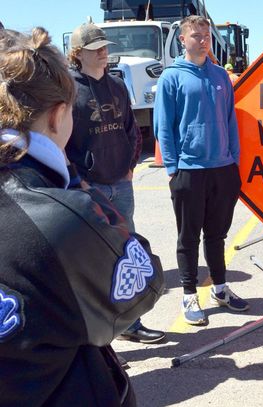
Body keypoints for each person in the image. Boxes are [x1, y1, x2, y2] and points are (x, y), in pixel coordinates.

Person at [0, 27, 164, 406]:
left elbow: (128, 131)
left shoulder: (116, 87)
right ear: (58, 115)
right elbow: (144, 283)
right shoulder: (63, 216)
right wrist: (77, 187)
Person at [66, 22, 165, 343]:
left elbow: (132, 131)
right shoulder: (68, 91)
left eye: (105, 48)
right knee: (93, 258)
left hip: (121, 185)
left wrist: (130, 168)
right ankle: (95, 334)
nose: (104, 53)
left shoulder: (118, 87)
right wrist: (77, 180)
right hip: (88, 188)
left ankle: (130, 324)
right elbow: (62, 142)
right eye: (97, 49)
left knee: (127, 255)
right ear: (78, 54)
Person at [154, 15, 248, 325]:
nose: (203, 40)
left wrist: (233, 160)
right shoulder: (171, 77)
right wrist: (172, 168)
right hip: (189, 170)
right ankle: (189, 294)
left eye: (206, 34)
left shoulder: (221, 76)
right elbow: (163, 127)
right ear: (183, 40)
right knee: (188, 236)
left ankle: (220, 289)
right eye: (196, 35)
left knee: (217, 236)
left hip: (222, 168)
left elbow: (231, 121)